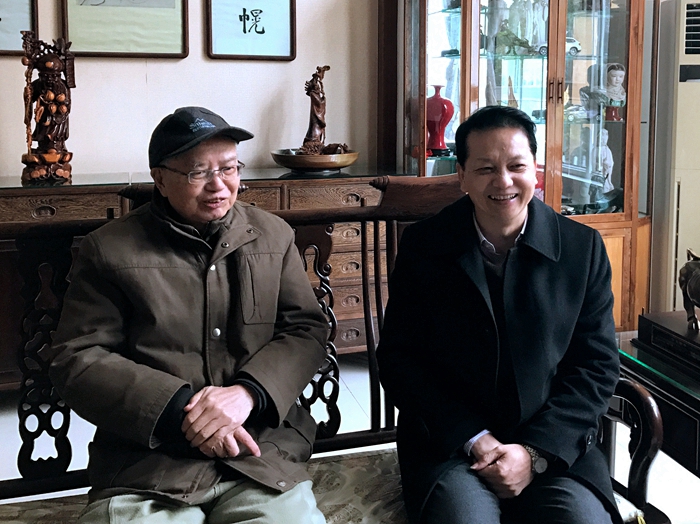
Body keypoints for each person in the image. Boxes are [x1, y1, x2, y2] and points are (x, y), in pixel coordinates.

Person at [48, 106, 329, 523]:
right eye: (198, 172)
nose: (219, 185)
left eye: (229, 168)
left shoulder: (273, 235)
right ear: (160, 179)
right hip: (149, 463)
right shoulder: (109, 249)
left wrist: (247, 394)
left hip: (258, 454)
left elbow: (305, 329)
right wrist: (181, 412)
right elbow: (78, 357)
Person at [377, 105, 621, 524]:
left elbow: (596, 366)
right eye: (486, 168)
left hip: (554, 444)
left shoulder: (582, 249)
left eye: (516, 166)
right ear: (461, 175)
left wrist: (534, 453)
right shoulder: (425, 246)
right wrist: (475, 439)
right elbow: (401, 361)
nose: (503, 181)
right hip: (451, 444)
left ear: (535, 170)